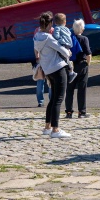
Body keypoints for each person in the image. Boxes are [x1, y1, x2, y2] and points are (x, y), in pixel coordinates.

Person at [34, 11, 72, 139]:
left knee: (52, 100)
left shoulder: (36, 37)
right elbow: (63, 51)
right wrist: (68, 52)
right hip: (58, 69)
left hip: (48, 71)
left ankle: (47, 127)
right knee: (59, 99)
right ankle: (56, 130)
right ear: (50, 23)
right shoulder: (48, 38)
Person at [65, 19, 92, 118]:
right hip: (81, 65)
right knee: (81, 89)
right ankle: (82, 112)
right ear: (82, 28)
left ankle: (68, 112)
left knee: (69, 90)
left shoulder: (69, 38)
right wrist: (87, 64)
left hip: (71, 65)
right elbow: (88, 54)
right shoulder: (84, 39)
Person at [52, 13, 77, 83]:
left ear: (55, 22)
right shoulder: (67, 29)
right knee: (66, 56)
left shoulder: (57, 28)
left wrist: (56, 39)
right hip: (68, 44)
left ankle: (71, 70)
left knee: (63, 57)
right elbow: (69, 35)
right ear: (65, 22)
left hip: (63, 44)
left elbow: (56, 36)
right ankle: (70, 68)